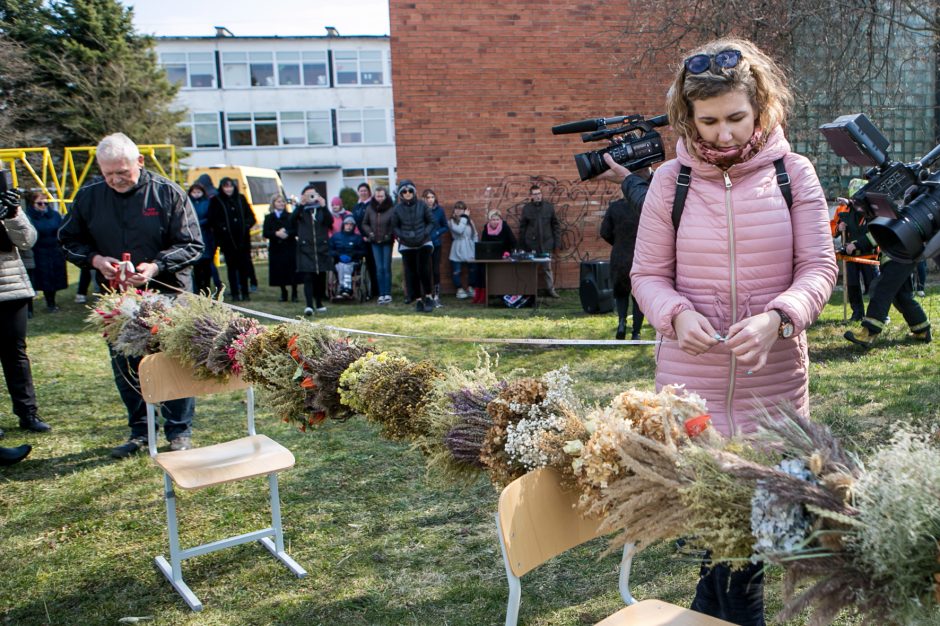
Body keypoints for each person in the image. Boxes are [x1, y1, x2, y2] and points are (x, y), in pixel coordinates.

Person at [625, 39, 838, 625]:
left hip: (774, 392)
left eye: (736, 118)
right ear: (687, 117)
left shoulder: (796, 174)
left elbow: (819, 268)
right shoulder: (671, 183)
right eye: (709, 121)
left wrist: (779, 317)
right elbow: (646, 275)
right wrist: (674, 314)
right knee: (715, 549)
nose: (723, 135)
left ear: (762, 107)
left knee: (750, 556)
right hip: (690, 391)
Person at [59, 132, 203, 458]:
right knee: (126, 364)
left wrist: (155, 266)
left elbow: (193, 244)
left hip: (167, 294)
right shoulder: (89, 196)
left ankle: (179, 430)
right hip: (117, 300)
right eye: (108, 174)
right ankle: (140, 430)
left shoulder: (168, 193)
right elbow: (68, 240)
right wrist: (95, 260)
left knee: (172, 361)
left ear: (139, 162)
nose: (115, 180)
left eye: (122, 173)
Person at [0, 183, 52, 436]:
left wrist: (13, 213)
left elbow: (27, 241)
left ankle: (27, 413)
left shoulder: (8, 205)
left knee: (16, 354)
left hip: (10, 289)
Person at [600, 178, 646, 340]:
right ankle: (636, 332)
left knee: (621, 294)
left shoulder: (615, 208)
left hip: (619, 256)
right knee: (638, 296)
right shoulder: (644, 207)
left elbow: (604, 232)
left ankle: (621, 323)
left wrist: (618, 242)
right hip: (641, 256)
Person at [831, 180, 878, 322]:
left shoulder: (873, 210)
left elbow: (875, 232)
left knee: (873, 284)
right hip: (849, 256)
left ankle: (878, 314)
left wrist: (858, 245)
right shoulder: (842, 209)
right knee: (852, 284)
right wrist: (838, 228)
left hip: (869, 254)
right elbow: (832, 227)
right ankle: (857, 313)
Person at [208, 177, 256, 302]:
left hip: (243, 240)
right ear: (222, 188)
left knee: (244, 267)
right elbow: (213, 220)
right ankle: (235, 292)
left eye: (230, 186)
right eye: (226, 186)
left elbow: (251, 217)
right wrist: (223, 228)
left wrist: (245, 226)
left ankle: (245, 292)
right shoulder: (216, 201)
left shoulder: (240, 199)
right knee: (232, 267)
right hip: (227, 241)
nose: (228, 189)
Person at [391, 179, 435, 312]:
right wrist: (402, 236)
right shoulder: (397, 209)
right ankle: (418, 300)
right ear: (401, 194)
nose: (407, 193)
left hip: (423, 242)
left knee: (423, 270)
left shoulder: (422, 205)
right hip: (407, 244)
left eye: (410, 190)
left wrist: (424, 234)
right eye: (404, 191)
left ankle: (428, 297)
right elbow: (394, 226)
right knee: (412, 273)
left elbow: (431, 222)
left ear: (414, 192)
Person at [24, 191, 68, 313]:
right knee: (33, 281)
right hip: (37, 252)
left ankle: (51, 304)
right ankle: (29, 310)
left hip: (54, 251)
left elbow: (61, 230)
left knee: (52, 280)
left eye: (46, 203)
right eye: (40, 203)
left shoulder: (54, 215)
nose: (43, 205)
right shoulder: (28, 217)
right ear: (32, 204)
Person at [293, 185, 332, 315]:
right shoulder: (301, 210)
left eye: (313, 194)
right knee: (308, 277)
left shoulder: (320, 209)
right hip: (306, 249)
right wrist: (300, 205)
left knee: (320, 277)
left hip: (321, 248)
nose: (311, 197)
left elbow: (329, 222)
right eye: (307, 194)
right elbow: (291, 221)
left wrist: (324, 206)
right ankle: (309, 305)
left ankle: (319, 303)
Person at [518, 184, 561, 298]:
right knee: (531, 268)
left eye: (539, 193)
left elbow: (556, 226)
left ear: (541, 194)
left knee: (547, 268)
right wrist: (522, 245)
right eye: (535, 194)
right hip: (531, 244)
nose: (538, 196)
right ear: (531, 196)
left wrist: (557, 244)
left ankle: (551, 290)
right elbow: (522, 228)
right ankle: (530, 291)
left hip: (547, 243)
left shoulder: (549, 207)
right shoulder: (527, 209)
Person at [473, 209, 518, 304]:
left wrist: (508, 253)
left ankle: (489, 294)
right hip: (490, 256)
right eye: (493, 219)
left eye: (497, 219)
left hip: (504, 256)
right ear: (489, 220)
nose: (495, 222)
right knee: (480, 268)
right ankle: (479, 294)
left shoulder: (505, 227)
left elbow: (513, 242)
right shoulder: (486, 228)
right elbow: (483, 244)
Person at [262, 193, 298, 302]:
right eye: (278, 202)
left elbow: (296, 230)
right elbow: (266, 233)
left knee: (292, 270)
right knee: (279, 271)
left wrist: (287, 233)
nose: (281, 204)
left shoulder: (290, 216)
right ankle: (283, 292)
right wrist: (276, 233)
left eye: (283, 201)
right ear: (273, 203)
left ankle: (294, 293)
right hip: (276, 248)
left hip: (289, 247)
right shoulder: (269, 217)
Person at [362, 186, 395, 304]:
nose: (379, 198)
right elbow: (365, 223)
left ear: (385, 196)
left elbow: (393, 224)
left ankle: (388, 293)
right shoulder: (370, 208)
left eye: (381, 196)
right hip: (374, 242)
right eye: (377, 196)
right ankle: (381, 294)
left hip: (387, 242)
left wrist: (389, 235)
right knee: (379, 268)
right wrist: (370, 233)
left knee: (386, 268)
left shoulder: (391, 208)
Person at [423, 189, 450, 307]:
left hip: (436, 244)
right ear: (423, 199)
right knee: (425, 270)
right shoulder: (421, 210)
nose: (430, 200)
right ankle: (427, 295)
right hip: (423, 244)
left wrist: (438, 232)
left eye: (432, 197)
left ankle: (436, 296)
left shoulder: (439, 210)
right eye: (427, 197)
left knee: (435, 270)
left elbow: (446, 226)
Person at [352, 183, 378, 299]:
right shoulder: (356, 207)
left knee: (373, 265)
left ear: (369, 192)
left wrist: (369, 235)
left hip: (371, 239)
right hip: (360, 240)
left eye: (365, 190)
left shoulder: (372, 204)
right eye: (361, 190)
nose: (363, 192)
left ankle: (375, 291)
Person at [188, 182, 215, 295]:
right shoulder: (188, 203)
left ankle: (207, 290)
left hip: (206, 237)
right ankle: (198, 291)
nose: (196, 194)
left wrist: (199, 223)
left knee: (207, 267)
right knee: (197, 268)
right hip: (192, 237)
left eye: (198, 192)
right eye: (194, 192)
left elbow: (211, 217)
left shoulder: (208, 203)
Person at [329, 216, 366, 298]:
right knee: (342, 266)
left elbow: (363, 251)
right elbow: (330, 250)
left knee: (346, 267)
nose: (349, 226)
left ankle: (346, 288)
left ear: (353, 226)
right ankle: (343, 288)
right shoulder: (336, 237)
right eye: (347, 224)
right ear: (343, 225)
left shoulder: (357, 238)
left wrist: (353, 254)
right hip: (339, 261)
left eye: (351, 225)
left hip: (353, 261)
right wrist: (338, 255)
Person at [448, 201, 478, 299]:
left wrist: (475, 246)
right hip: (458, 247)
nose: (458, 210)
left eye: (461, 208)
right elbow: (459, 230)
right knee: (457, 270)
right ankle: (459, 289)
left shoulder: (470, 221)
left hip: (469, 247)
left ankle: (471, 287)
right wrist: (464, 217)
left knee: (473, 269)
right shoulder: (451, 221)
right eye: (456, 208)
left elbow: (475, 234)